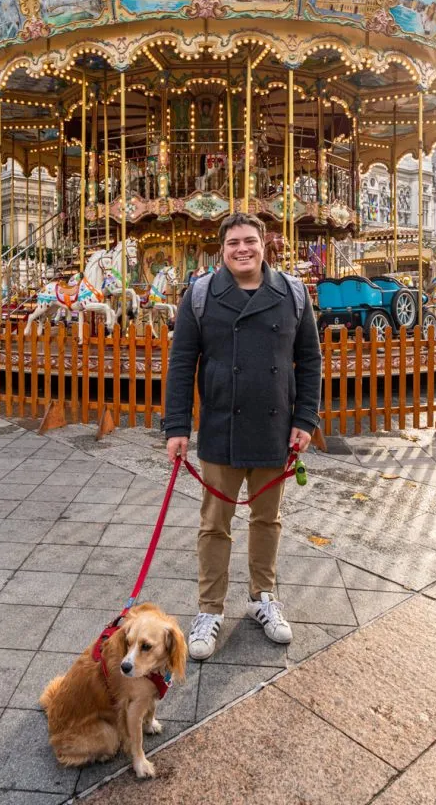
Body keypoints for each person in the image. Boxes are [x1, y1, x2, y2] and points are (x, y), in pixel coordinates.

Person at [164, 212, 322, 660]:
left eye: (250, 241)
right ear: (222, 248)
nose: (242, 249)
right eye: (233, 242)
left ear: (264, 244)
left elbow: (309, 360)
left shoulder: (292, 293)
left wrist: (305, 419)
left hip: (275, 427)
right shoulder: (201, 295)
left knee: (267, 519)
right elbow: (181, 363)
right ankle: (209, 608)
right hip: (220, 425)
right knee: (215, 522)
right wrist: (177, 426)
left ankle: (262, 597)